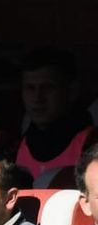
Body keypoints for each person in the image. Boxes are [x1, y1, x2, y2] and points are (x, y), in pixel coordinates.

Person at [15, 47, 95, 184]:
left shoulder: (91, 144)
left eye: (47, 87)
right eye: (30, 88)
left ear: (71, 91)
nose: (37, 98)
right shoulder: (15, 147)